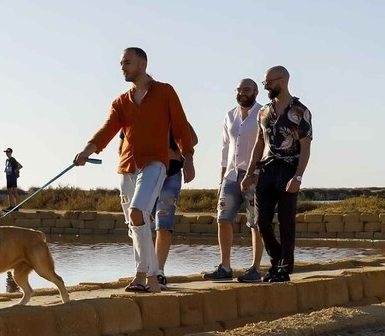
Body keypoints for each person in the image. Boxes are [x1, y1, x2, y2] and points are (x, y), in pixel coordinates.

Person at [74, 47, 195, 293]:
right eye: (121, 63)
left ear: (142, 64)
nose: (122, 67)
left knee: (139, 212)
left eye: (127, 63)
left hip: (155, 162)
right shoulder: (121, 102)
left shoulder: (165, 92)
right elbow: (107, 129)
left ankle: (150, 276)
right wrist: (87, 151)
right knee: (134, 222)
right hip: (127, 166)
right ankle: (144, 275)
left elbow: (181, 126)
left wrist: (188, 157)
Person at [240, 66, 312, 283]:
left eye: (268, 83)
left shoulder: (300, 111)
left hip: (289, 168)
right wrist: (250, 172)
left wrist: (298, 176)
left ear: (282, 80)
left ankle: (283, 269)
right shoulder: (264, 112)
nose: (266, 87)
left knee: (286, 222)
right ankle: (277, 261)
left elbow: (306, 147)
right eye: (264, 84)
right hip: (266, 170)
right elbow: (259, 143)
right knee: (261, 221)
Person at [204, 78, 266, 282]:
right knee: (223, 219)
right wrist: (221, 177)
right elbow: (224, 148)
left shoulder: (264, 113)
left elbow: (267, 146)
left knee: (255, 223)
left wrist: (256, 173)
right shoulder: (230, 115)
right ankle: (225, 266)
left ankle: (255, 268)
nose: (242, 93)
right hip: (231, 175)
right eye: (239, 90)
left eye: (247, 89)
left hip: (254, 176)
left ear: (256, 91)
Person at [154, 125, 198, 289]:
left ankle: (159, 271)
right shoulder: (141, 108)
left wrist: (179, 154)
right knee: (142, 223)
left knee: (163, 222)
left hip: (171, 173)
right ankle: (145, 269)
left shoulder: (176, 114)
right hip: (147, 172)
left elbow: (193, 138)